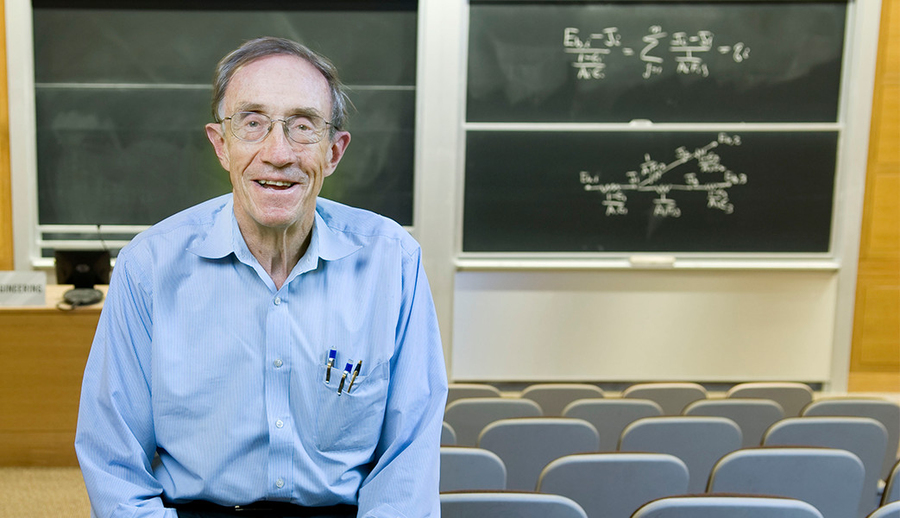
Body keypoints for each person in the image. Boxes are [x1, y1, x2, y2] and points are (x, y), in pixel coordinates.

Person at [75, 37, 448, 518]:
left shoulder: (393, 263)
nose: (278, 153)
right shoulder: (147, 267)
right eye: (252, 124)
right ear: (221, 145)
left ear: (333, 152)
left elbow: (408, 465)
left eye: (302, 126)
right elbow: (114, 461)